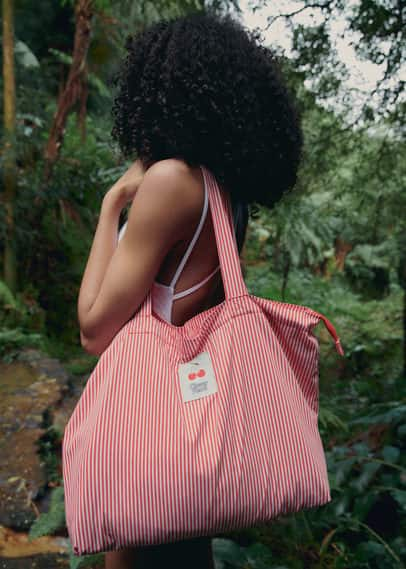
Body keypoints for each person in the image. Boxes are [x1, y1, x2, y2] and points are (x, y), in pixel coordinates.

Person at [77, 8, 303, 569]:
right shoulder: (226, 194)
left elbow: (93, 328)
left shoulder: (171, 181)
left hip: (153, 428)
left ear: (159, 88)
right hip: (193, 430)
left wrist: (112, 206)